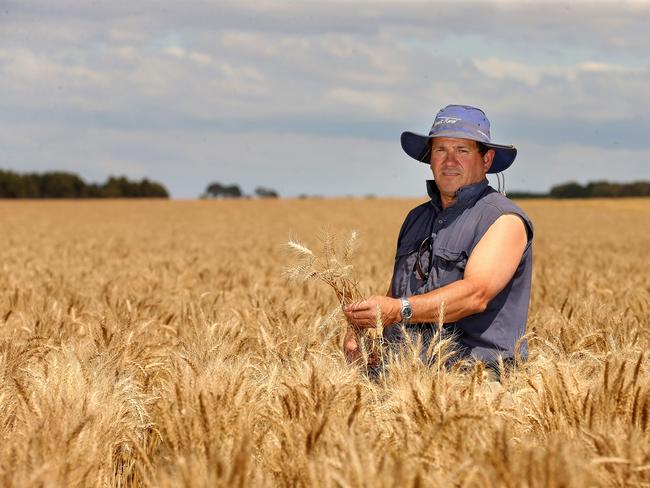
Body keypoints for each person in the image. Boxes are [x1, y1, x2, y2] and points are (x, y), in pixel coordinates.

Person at [343, 104, 533, 379]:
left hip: (475, 378)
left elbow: (475, 295)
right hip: (403, 373)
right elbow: (396, 294)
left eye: (462, 150)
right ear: (430, 157)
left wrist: (398, 310)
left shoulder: (503, 219)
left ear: (487, 159)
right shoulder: (416, 218)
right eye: (441, 150)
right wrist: (363, 329)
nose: (449, 161)